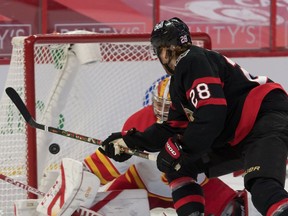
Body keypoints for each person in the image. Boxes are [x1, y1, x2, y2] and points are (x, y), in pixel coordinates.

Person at [99, 17, 288, 216]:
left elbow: (211, 115)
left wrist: (181, 148)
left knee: (262, 188)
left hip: (263, 121)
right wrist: (129, 141)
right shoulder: (184, 76)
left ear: (165, 50)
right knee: (180, 168)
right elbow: (173, 127)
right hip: (240, 132)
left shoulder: (192, 61)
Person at [87, 76, 247, 215]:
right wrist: (83, 175)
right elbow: (106, 164)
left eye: (170, 107)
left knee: (236, 211)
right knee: (93, 211)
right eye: (160, 105)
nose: (164, 113)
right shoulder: (139, 123)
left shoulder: (206, 124)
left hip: (199, 186)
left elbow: (236, 153)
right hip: (142, 187)